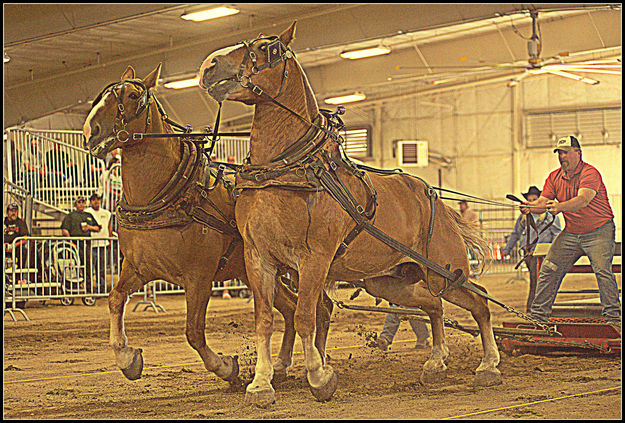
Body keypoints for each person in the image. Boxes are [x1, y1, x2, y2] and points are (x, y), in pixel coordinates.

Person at [521, 136, 620, 329]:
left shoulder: (590, 173)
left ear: (578, 152)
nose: (561, 156)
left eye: (565, 152)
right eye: (559, 152)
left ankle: (613, 319)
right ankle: (538, 318)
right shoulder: (554, 177)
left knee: (602, 271)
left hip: (599, 231)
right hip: (572, 232)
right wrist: (530, 207)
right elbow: (543, 203)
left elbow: (583, 199)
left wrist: (560, 207)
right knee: (548, 269)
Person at [502, 186, 562, 312]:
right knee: (537, 281)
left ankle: (533, 309)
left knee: (537, 282)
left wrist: (556, 253)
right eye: (530, 200)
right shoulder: (523, 217)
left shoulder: (550, 217)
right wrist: (507, 249)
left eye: (535, 199)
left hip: (543, 254)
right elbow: (515, 234)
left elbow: (556, 235)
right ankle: (538, 308)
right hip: (529, 254)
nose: (532, 202)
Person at [61, 196, 101, 292]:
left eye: (83, 202)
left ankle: (88, 288)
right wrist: (71, 242)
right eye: (79, 202)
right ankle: (72, 287)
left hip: (86, 245)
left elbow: (98, 228)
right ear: (75, 204)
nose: (82, 204)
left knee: (87, 267)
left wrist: (89, 227)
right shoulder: (70, 216)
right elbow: (64, 230)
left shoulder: (88, 215)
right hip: (74, 245)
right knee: (73, 267)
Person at [85, 192, 112, 294]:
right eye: (94, 200)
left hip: (103, 244)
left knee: (102, 269)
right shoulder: (87, 212)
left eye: (98, 199)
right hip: (92, 244)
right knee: (90, 268)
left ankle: (102, 289)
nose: (97, 202)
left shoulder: (106, 213)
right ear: (90, 202)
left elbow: (109, 228)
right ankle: (89, 289)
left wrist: (109, 240)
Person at [4, 203, 30, 269]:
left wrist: (14, 245)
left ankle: (19, 274)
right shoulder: (4, 221)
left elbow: (25, 239)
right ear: (7, 212)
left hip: (16, 247)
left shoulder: (21, 223)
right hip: (4, 246)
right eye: (11, 211)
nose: (13, 213)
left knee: (23, 250)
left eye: (15, 211)